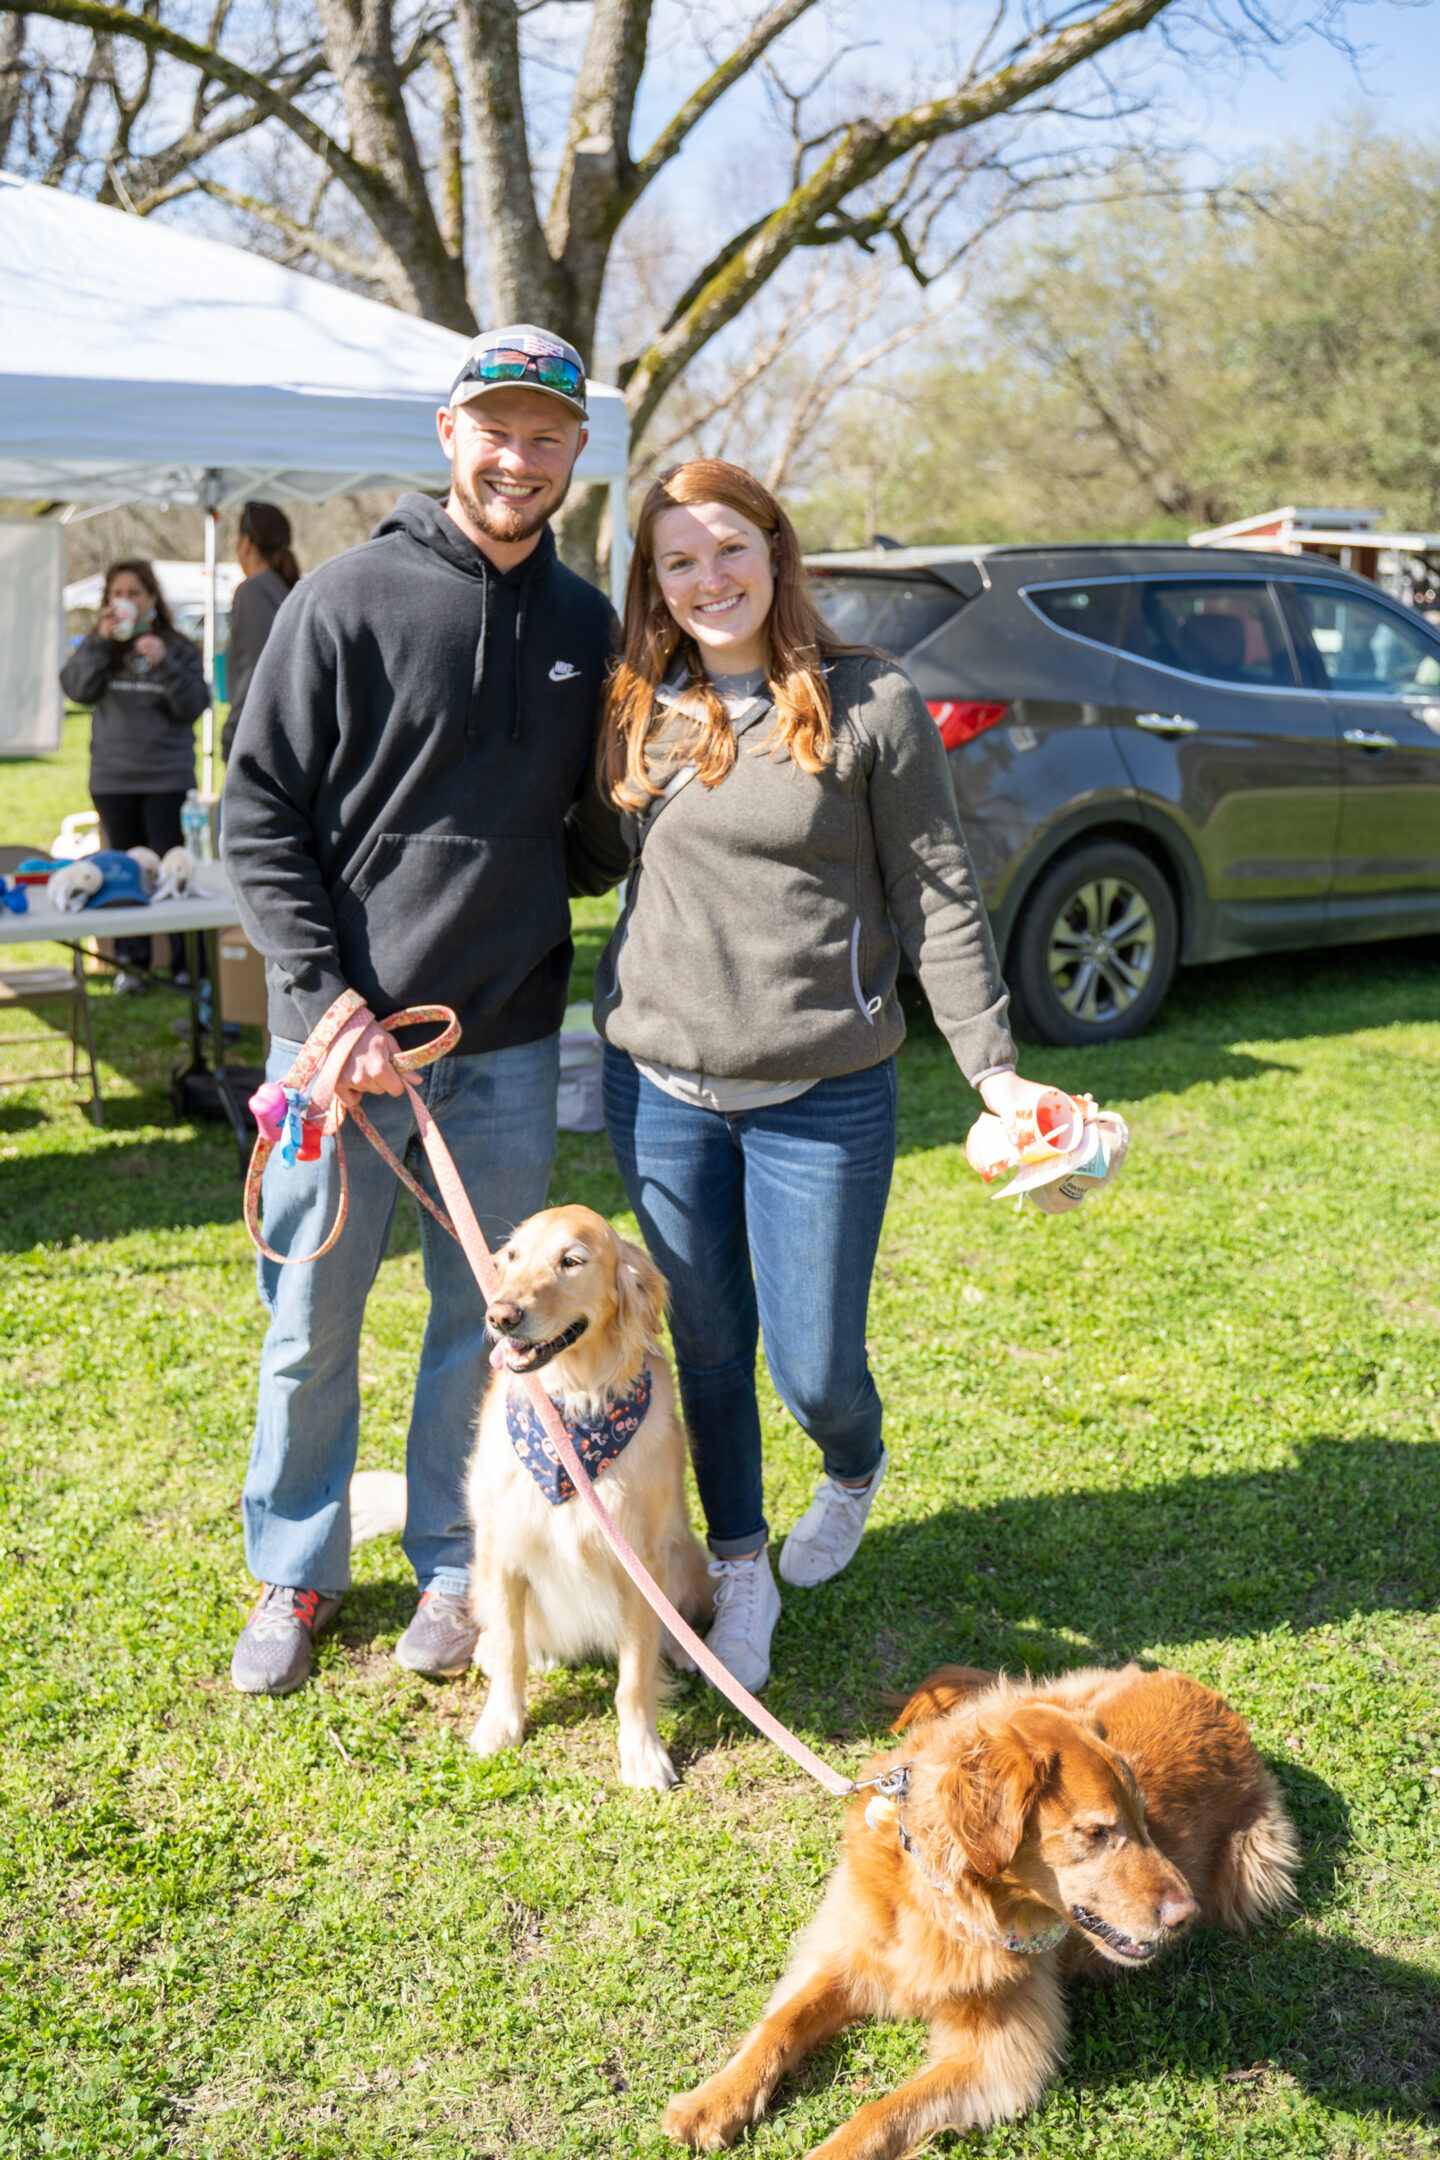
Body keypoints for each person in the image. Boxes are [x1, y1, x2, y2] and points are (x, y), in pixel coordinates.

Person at [595, 459, 1067, 1693]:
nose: (709, 579)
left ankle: (852, 1466)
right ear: (653, 581)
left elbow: (938, 890)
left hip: (823, 1090)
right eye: (678, 561)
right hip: (661, 1086)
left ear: (775, 549)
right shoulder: (641, 701)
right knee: (702, 1345)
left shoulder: (870, 700)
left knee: (813, 1370)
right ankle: (740, 1568)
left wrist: (995, 1071)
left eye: (729, 550)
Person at [220, 325, 628, 1698]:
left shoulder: (587, 626)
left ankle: (457, 1566)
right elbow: (259, 813)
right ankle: (297, 1565)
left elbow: (578, 838)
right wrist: (324, 1000)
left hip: (505, 1044)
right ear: (450, 434)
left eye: (548, 436)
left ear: (579, 451)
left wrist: (659, 803)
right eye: (496, 430)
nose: (521, 458)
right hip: (336, 1045)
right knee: (310, 1322)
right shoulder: (342, 597)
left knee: (489, 1324)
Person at [60, 559, 208, 990]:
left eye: (134, 593)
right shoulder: (99, 645)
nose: (124, 601)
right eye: (116, 594)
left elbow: (194, 703)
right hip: (114, 778)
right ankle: (132, 964)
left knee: (172, 870)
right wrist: (100, 642)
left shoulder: (176, 647)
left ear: (151, 599)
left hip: (166, 776)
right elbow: (76, 689)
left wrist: (164, 663)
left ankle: (186, 965)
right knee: (121, 872)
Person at [220, 503, 302, 763]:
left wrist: (233, 735)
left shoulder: (253, 591)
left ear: (246, 543)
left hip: (260, 741)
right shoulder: (285, 589)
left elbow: (256, 671)